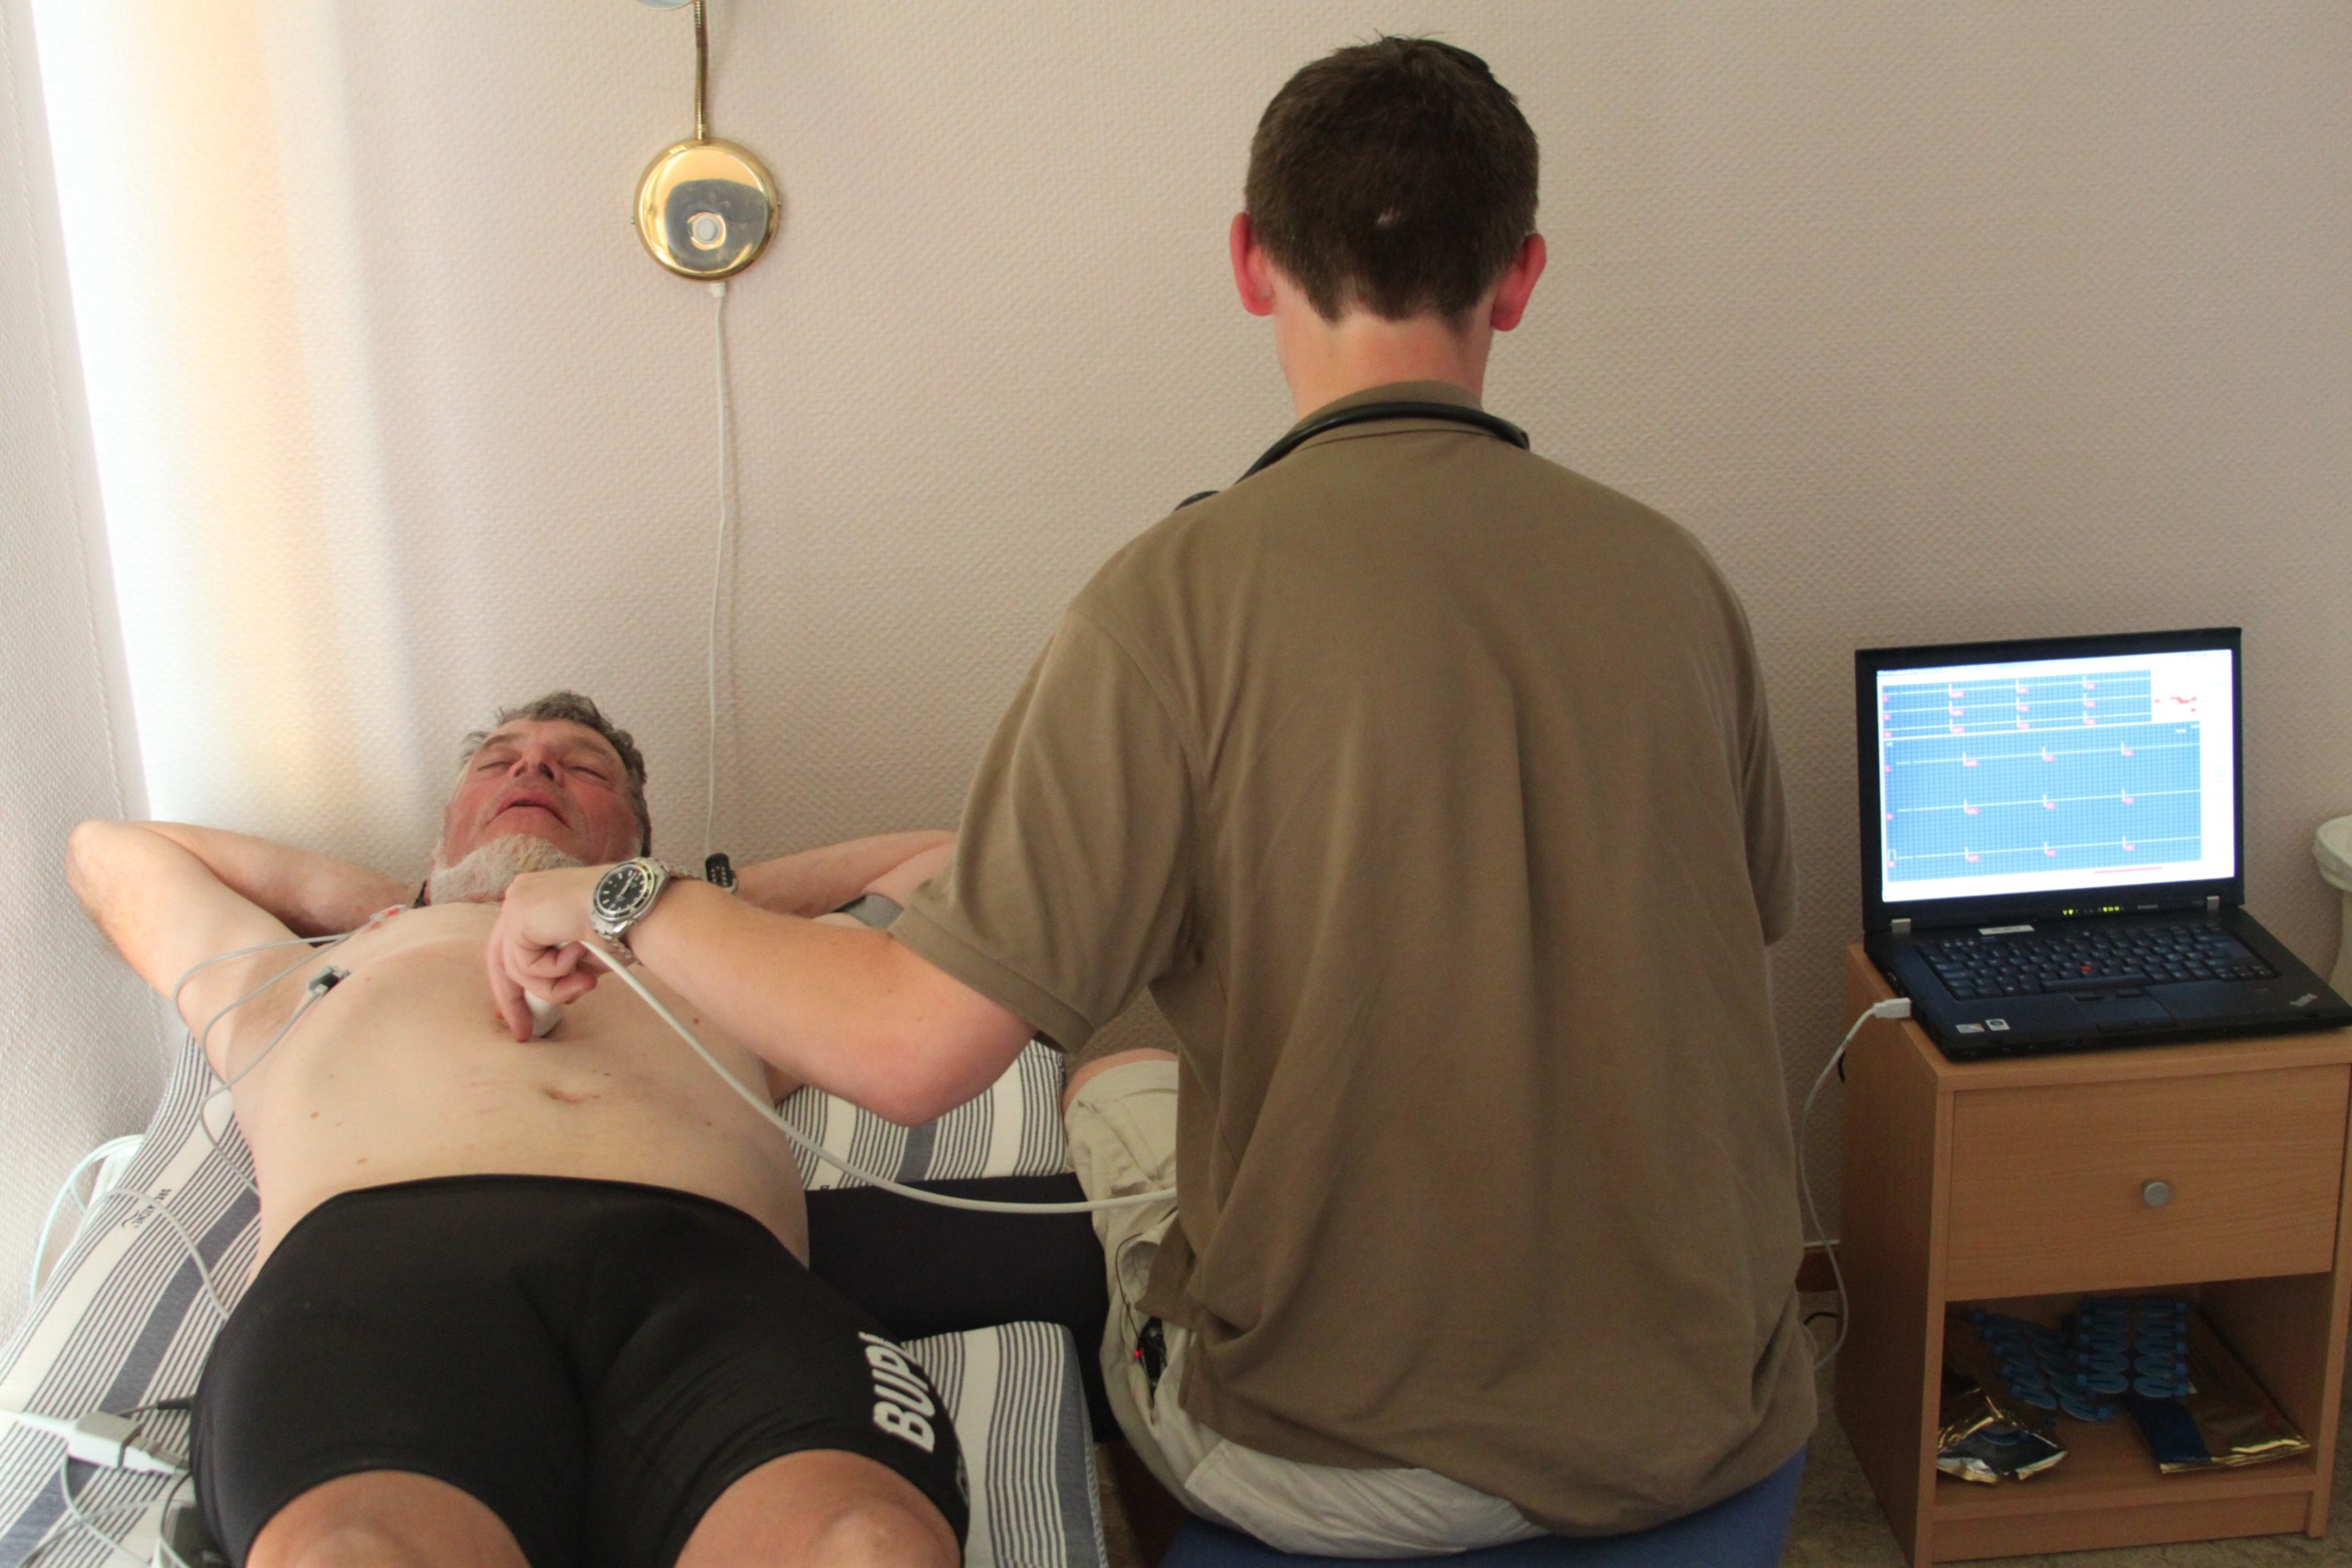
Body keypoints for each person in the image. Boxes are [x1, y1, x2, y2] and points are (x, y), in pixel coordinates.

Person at [491, 36, 1809, 1556]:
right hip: (1715, 1412)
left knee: (1113, 1061)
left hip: (1347, 1460)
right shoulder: (1677, 580)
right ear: (1518, 278)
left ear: (1251, 261)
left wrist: (621, 895)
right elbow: (1727, 931)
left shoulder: (1172, 600)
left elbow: (907, 1051)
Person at [69, 692, 967, 1568]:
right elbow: (107, 852)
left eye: (583, 769)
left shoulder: (726, 968)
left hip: (713, 1285)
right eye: (499, 763)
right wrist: (419, 898)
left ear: (640, 840)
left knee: (870, 1546)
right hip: (382, 1280)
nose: (533, 767)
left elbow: (947, 864)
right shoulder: (309, 973)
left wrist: (649, 898)